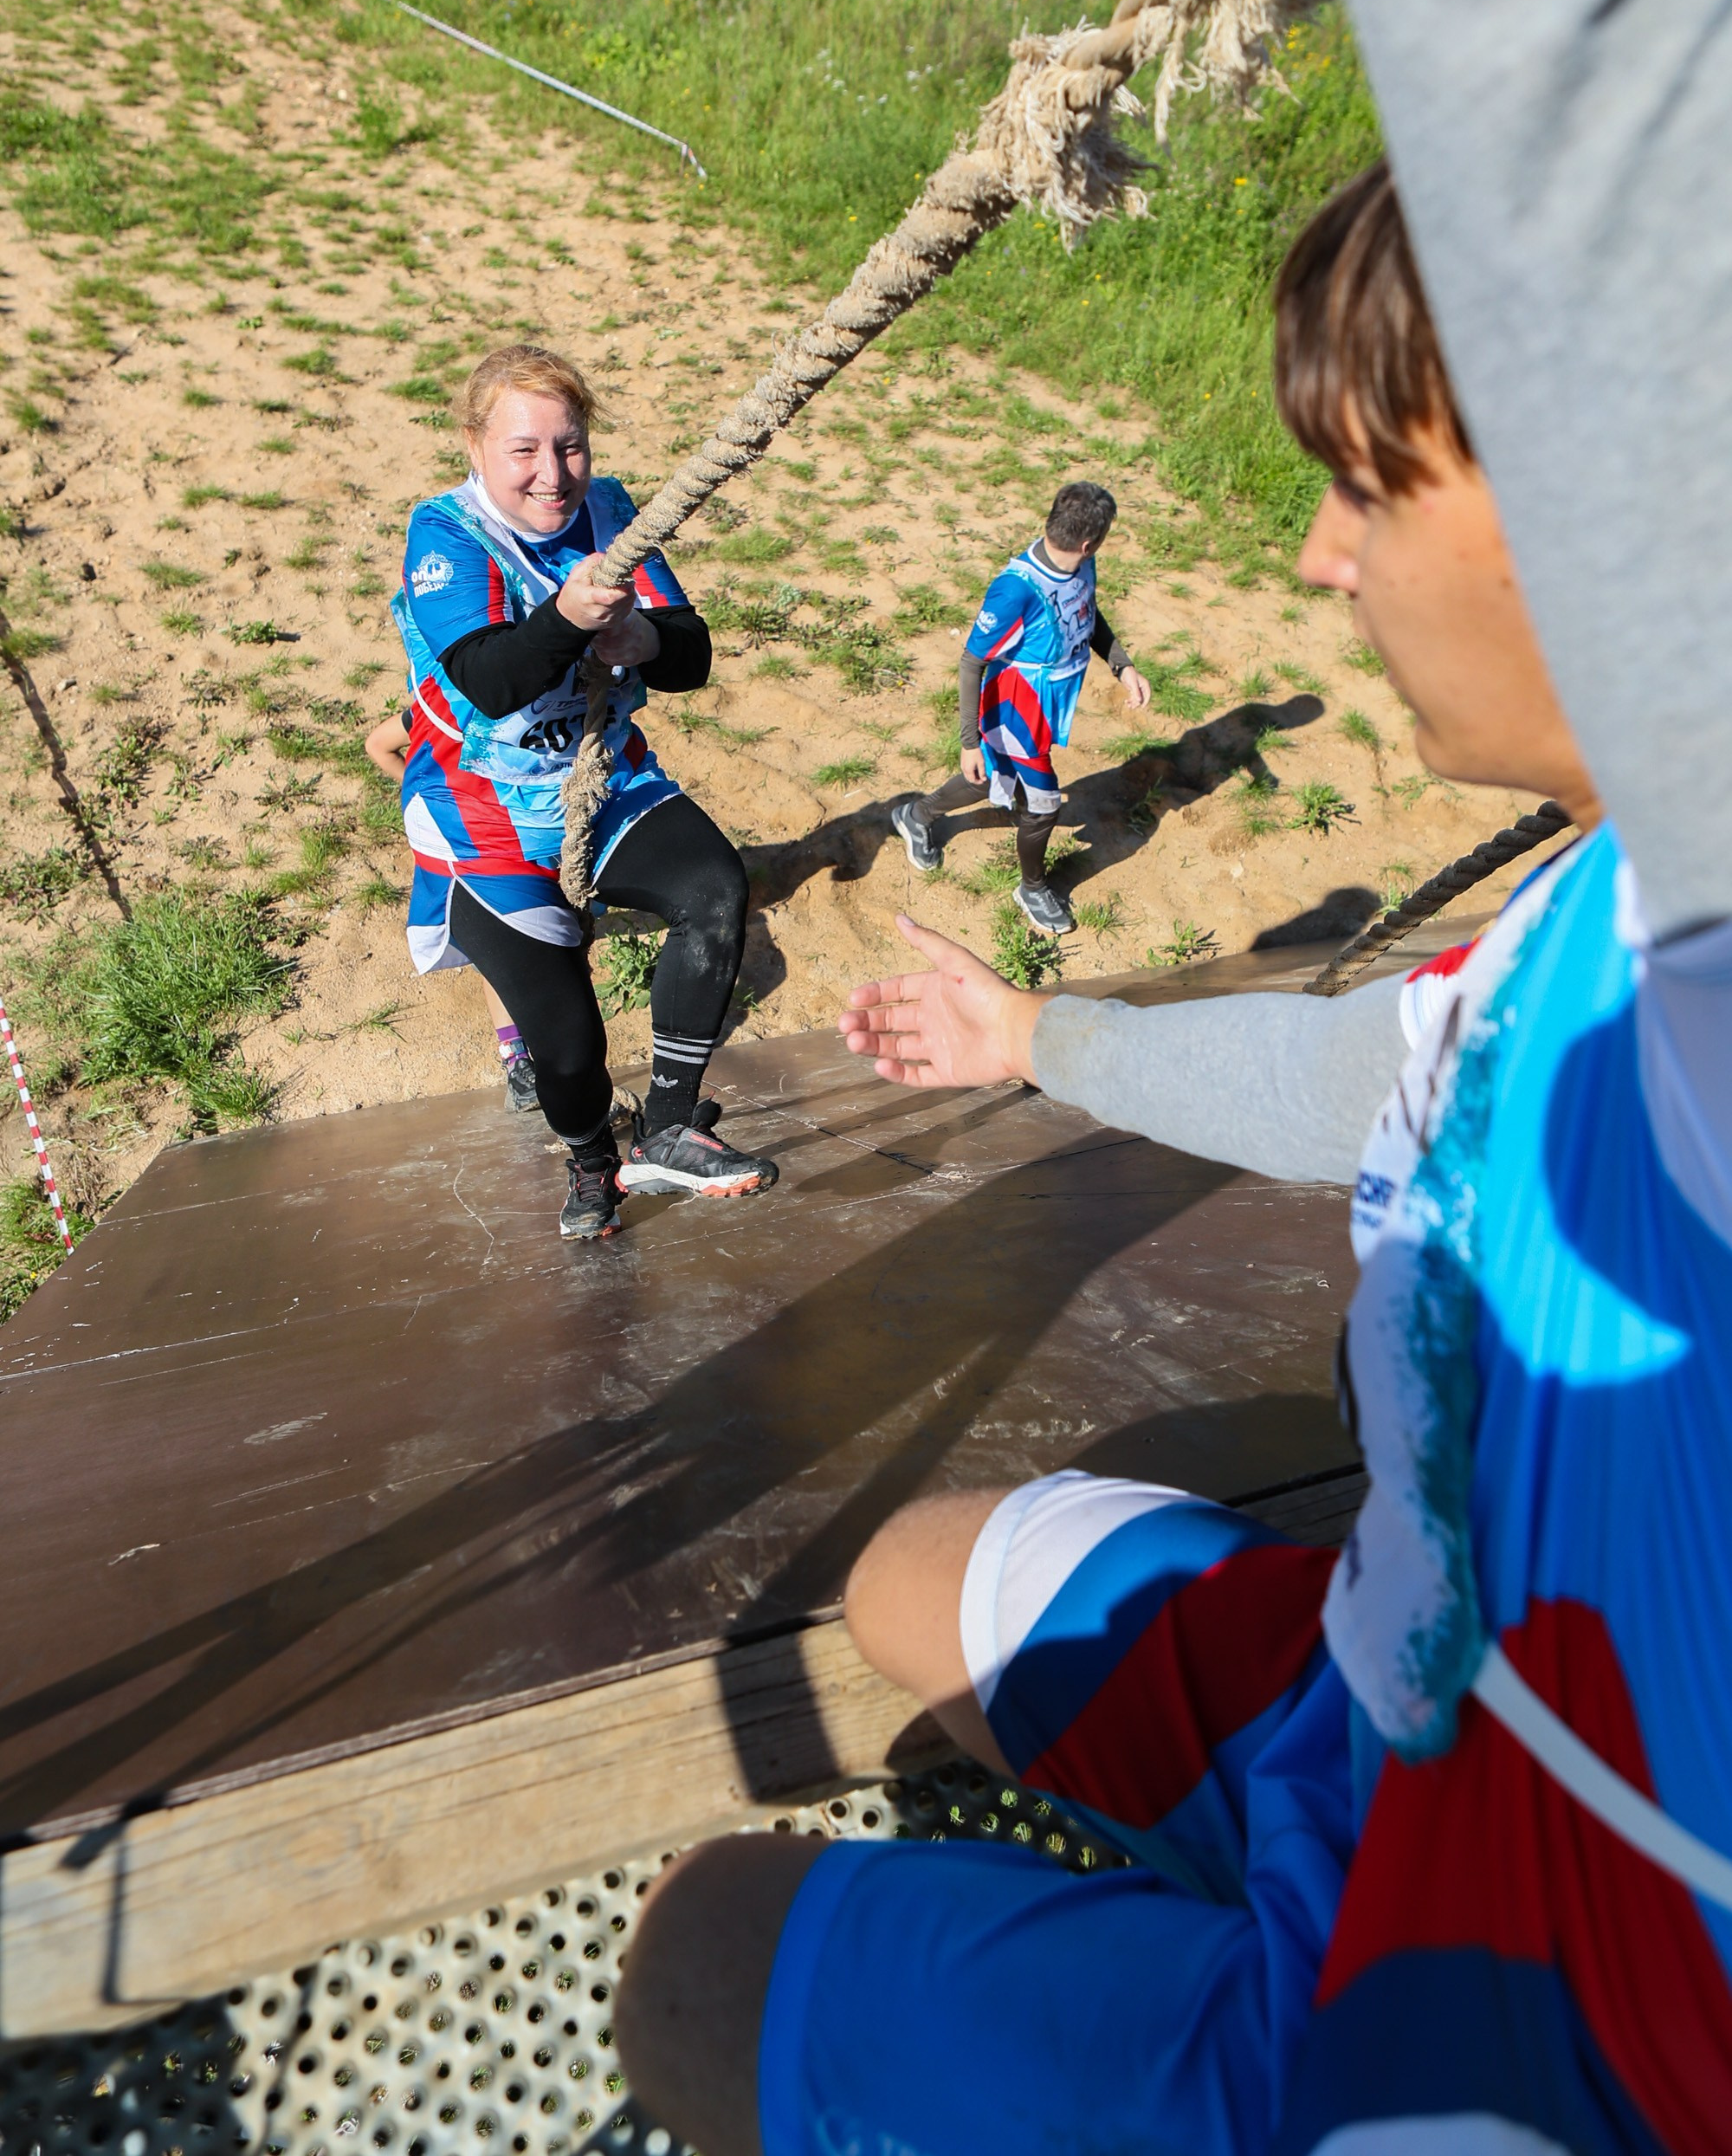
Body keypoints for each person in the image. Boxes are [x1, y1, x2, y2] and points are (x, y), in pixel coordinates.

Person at [612, 161, 1732, 2153]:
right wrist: (1026, 1038)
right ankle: (1206, 1895)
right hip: (1408, 1682)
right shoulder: (1576, 933)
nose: (1315, 558)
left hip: (1552, 2000)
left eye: (1365, 488)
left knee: (697, 1967)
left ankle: (1192, 1988)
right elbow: (1357, 1076)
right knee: (906, 1576)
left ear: (1627, 506)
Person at [388, 342, 778, 1242]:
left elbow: (691, 651)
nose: (551, 474)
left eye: (569, 447)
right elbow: (491, 680)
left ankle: (670, 1126)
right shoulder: (445, 533)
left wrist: (641, 641)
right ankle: (592, 1160)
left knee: (713, 887)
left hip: (598, 779)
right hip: (479, 811)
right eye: (524, 450)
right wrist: (566, 619)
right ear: (475, 447)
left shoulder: (608, 509)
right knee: (566, 1049)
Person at [889, 481, 1152, 935]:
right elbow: (972, 663)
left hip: (1048, 704)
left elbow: (1088, 613)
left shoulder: (1080, 565)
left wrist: (1121, 665)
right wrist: (969, 742)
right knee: (1044, 804)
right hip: (1016, 708)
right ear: (1088, 542)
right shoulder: (1015, 591)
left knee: (993, 778)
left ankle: (916, 816)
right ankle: (1032, 889)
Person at [364, 707, 540, 1114]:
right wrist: (432, 794)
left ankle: (553, 1053)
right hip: (470, 844)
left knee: (554, 941)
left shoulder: (528, 696)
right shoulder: (439, 704)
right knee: (495, 949)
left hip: (529, 829)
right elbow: (378, 744)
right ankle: (518, 1062)